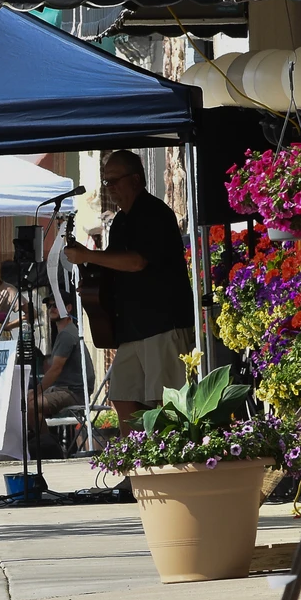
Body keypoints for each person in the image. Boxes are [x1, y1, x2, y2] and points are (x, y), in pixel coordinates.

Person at [64, 150, 194, 429]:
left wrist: (88, 256)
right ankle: (135, 465)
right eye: (106, 181)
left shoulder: (154, 213)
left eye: (114, 180)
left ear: (135, 179)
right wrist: (89, 274)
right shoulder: (122, 220)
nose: (109, 188)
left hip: (162, 323)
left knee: (168, 404)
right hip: (132, 328)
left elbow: (136, 262)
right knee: (123, 396)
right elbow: (113, 265)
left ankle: (172, 467)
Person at [28, 301, 93, 430]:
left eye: (55, 305)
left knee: (29, 406)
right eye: (49, 306)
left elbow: (55, 369)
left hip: (73, 392)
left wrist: (37, 391)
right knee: (24, 400)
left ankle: (48, 446)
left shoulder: (66, 335)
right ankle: (46, 443)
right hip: (64, 389)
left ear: (68, 307)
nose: (52, 309)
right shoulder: (65, 332)